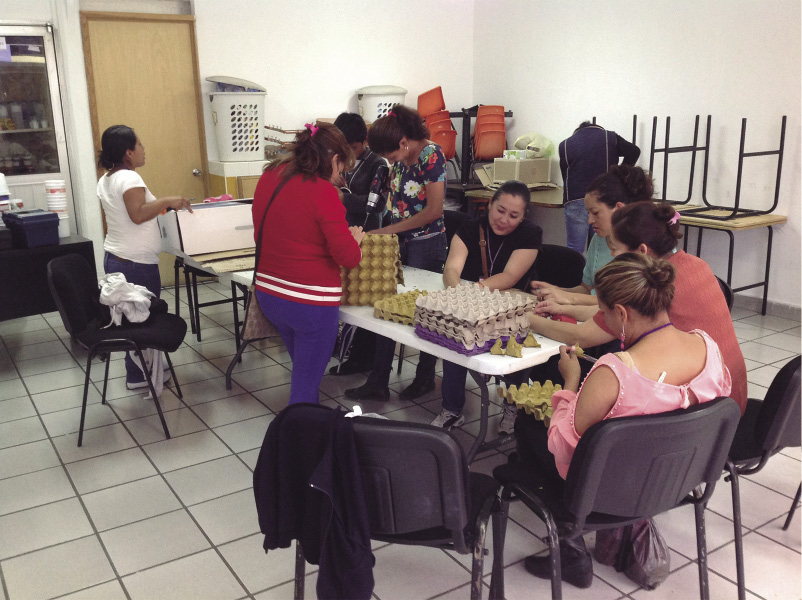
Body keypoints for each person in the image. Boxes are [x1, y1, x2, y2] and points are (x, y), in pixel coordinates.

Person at [517, 252, 732, 588]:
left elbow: (563, 446)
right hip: (678, 479)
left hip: (611, 490)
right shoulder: (708, 348)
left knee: (527, 425)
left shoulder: (615, 372)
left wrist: (570, 381)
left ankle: (571, 544)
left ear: (621, 313)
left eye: (603, 313)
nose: (603, 320)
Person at [529, 201, 748, 412]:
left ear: (641, 251)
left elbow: (582, 336)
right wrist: (562, 307)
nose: (612, 258)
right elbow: (605, 315)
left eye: (614, 250)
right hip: (726, 403)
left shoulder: (649, 285)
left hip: (701, 408)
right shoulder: (694, 264)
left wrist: (528, 320)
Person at [252, 122, 364, 405]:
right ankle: (300, 441)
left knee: (304, 371)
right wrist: (356, 240)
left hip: (270, 294)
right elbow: (347, 257)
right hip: (309, 305)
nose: (340, 175)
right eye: (342, 167)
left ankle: (304, 427)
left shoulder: (269, 176)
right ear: (334, 159)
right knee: (304, 388)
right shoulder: (323, 193)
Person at [345, 105, 448, 402]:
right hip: (401, 242)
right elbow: (395, 203)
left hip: (427, 244)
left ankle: (425, 377)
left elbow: (433, 211)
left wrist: (387, 232)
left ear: (403, 143)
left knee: (425, 312)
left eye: (390, 155)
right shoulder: (400, 160)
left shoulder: (432, 156)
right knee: (388, 309)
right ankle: (378, 380)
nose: (388, 161)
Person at [430, 181, 542, 434]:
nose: (504, 220)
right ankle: (452, 408)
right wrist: (458, 295)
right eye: (500, 210)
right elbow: (452, 268)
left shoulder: (530, 234)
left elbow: (511, 276)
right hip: (471, 303)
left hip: (510, 308)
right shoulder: (470, 227)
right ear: (490, 204)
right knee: (455, 342)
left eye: (514, 216)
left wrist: (472, 293)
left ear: (524, 217)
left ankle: (511, 406)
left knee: (515, 351)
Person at [96, 124, 193, 390]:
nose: (144, 150)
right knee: (141, 321)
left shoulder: (107, 178)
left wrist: (162, 206)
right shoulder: (129, 178)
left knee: (131, 317)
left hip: (118, 258)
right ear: (128, 153)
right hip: (135, 264)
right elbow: (137, 214)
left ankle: (143, 370)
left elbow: (134, 214)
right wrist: (166, 200)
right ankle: (139, 376)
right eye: (139, 145)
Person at [531, 164, 654, 311]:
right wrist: (557, 291)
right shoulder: (599, 239)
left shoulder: (644, 246)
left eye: (595, 213)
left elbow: (621, 305)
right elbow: (588, 290)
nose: (589, 221)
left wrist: (568, 298)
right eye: (588, 213)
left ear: (619, 209)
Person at [328, 112, 389, 376]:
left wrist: (342, 196)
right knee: (348, 300)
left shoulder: (379, 164)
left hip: (368, 238)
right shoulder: (341, 161)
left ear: (363, 141)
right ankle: (350, 352)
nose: (348, 154)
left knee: (364, 303)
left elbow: (376, 205)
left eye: (352, 148)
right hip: (343, 233)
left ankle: (362, 359)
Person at [559, 122, 640, 254]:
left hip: (575, 199)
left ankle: (574, 274)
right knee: (598, 247)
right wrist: (617, 175)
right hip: (603, 199)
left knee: (574, 249)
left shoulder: (565, 144)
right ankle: (595, 274)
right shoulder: (609, 137)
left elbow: (566, 175)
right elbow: (634, 151)